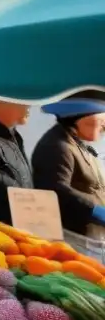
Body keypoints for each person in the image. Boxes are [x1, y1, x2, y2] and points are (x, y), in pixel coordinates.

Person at [31, 91, 105, 236]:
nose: (104, 124)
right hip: (76, 238)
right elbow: (55, 190)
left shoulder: (77, 143)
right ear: (78, 117)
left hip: (93, 235)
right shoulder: (56, 146)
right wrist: (94, 210)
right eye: (101, 118)